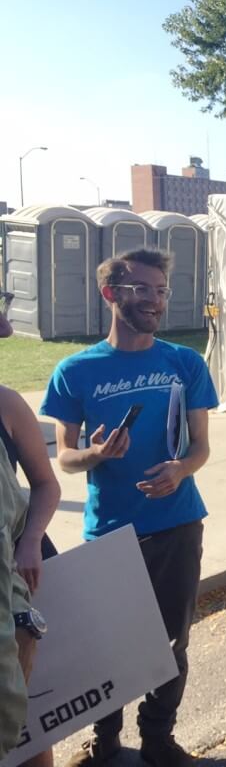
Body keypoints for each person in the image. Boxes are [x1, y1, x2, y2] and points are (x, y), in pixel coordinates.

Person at [41, 248, 218, 767]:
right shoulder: (75, 370)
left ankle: (158, 739)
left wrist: (181, 470)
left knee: (170, 642)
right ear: (110, 293)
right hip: (111, 531)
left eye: (161, 290)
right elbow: (66, 459)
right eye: (141, 289)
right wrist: (95, 454)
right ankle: (106, 740)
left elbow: (201, 446)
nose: (155, 301)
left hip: (178, 522)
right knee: (109, 645)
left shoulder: (184, 363)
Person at [0, 297, 61, 767]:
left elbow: (46, 484)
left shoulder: (6, 405)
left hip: (11, 607)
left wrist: (30, 540)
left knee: (27, 724)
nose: (5, 327)